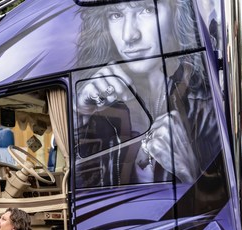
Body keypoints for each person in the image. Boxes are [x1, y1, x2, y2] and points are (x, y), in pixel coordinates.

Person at [74, 0, 221, 186]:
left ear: (178, 14)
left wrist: (188, 173)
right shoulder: (95, 103)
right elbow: (79, 194)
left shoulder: (208, 104)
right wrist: (79, 116)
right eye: (115, 15)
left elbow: (227, 205)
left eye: (147, 9)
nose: (129, 35)